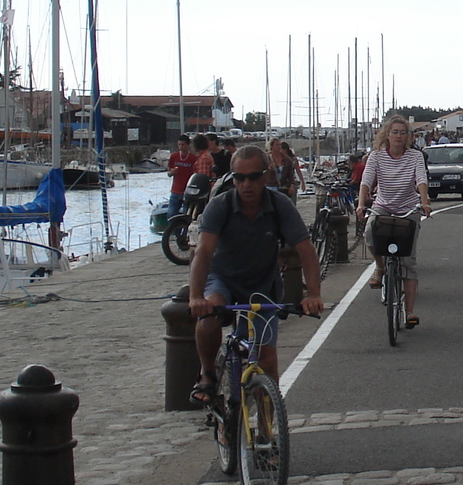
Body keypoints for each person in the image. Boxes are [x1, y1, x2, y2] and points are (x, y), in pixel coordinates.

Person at [188, 147, 324, 403]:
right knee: (210, 314)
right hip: (222, 278)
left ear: (266, 176)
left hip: (262, 284)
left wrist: (314, 294)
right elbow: (204, 252)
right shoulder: (220, 205)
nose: (246, 183)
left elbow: (306, 250)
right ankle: (207, 374)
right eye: (239, 177)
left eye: (253, 176)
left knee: (267, 358)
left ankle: (267, 428)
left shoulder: (279, 205)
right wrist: (196, 297)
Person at [357, 116, 434, 323]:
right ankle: (380, 266)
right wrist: (361, 204)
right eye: (395, 132)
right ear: (387, 135)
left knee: (408, 260)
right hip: (383, 205)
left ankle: (409, 312)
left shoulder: (415, 157)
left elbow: (421, 180)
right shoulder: (376, 156)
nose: (399, 136)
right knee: (370, 233)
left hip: (409, 207)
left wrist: (424, 202)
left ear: (408, 136)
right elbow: (366, 180)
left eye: (403, 132)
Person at [166, 134, 196, 216]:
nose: (180, 147)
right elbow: (168, 172)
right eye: (179, 144)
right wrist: (171, 172)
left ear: (188, 145)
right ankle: (173, 228)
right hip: (175, 191)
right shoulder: (174, 156)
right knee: (171, 214)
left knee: (186, 215)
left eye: (183, 145)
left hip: (187, 191)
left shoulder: (193, 158)